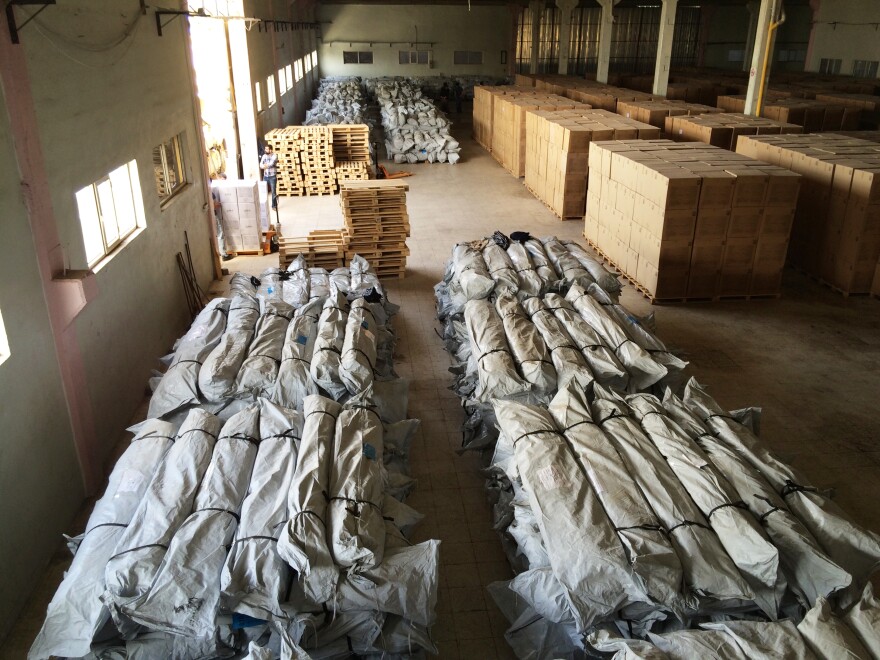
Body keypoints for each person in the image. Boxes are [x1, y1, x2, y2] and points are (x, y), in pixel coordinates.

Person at [210, 173, 231, 260]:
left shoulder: (206, 192)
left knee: (215, 234)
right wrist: (219, 204)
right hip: (213, 215)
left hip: (208, 217)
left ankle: (220, 252)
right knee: (220, 233)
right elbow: (215, 205)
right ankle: (223, 254)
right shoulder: (211, 193)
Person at [259, 143, 278, 210]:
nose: (265, 150)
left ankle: (274, 206)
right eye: (265, 149)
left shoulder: (274, 156)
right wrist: (264, 166)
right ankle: (264, 206)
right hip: (265, 176)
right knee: (263, 191)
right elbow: (260, 164)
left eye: (267, 149)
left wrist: (265, 165)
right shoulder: (264, 156)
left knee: (273, 192)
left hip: (272, 176)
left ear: (271, 150)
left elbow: (271, 164)